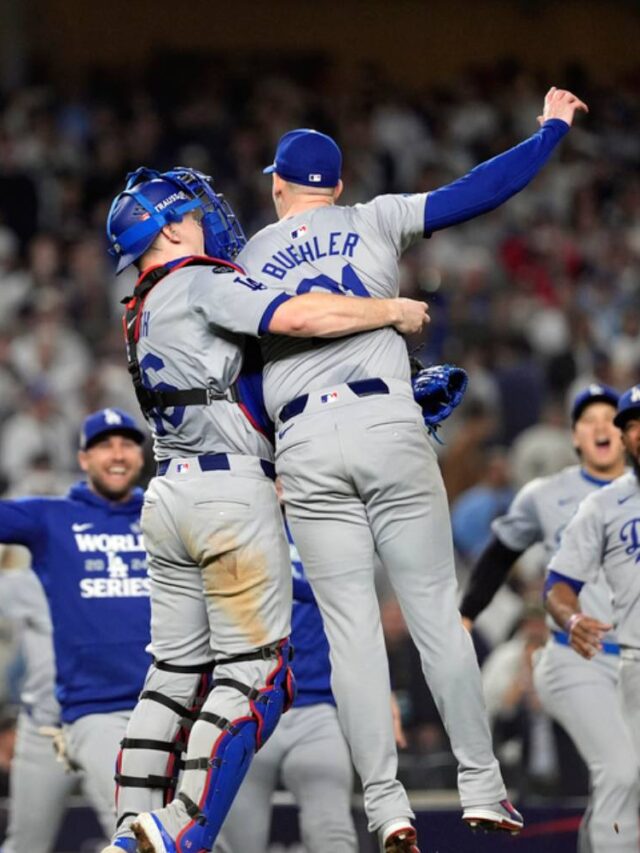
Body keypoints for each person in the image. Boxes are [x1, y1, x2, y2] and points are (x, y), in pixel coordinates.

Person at [236, 85, 587, 852]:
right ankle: (484, 785)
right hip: (385, 418)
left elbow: (240, 381)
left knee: (352, 636)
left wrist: (270, 454)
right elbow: (478, 191)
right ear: (337, 185)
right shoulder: (374, 217)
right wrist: (550, 132)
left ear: (278, 186)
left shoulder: (250, 257)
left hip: (303, 440)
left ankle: (388, 807)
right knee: (436, 614)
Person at [102, 167, 428, 853]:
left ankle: (129, 827)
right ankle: (175, 830)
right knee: (261, 673)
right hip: (228, 493)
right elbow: (301, 314)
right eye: (192, 209)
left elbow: (242, 389)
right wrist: (391, 311)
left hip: (171, 494)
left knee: (174, 676)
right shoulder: (198, 278)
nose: (209, 215)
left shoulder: (142, 300)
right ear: (167, 227)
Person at [461, 384, 639, 852]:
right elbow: (501, 554)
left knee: (621, 786)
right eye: (588, 420)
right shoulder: (550, 495)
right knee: (621, 772)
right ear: (574, 437)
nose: (601, 427)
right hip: (576, 655)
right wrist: (464, 616)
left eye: (610, 418)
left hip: (632, 661)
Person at [0, 407, 151, 849]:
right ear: (84, 459)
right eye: (105, 445)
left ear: (142, 456)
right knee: (25, 845)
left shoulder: (165, 515)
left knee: (137, 837)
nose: (117, 454)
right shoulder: (52, 519)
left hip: (129, 719)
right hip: (44, 725)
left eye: (127, 444)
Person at [215, 516, 358, 853]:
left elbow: (360, 620)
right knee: (238, 843)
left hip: (315, 708)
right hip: (245, 706)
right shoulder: (225, 528)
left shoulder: (332, 530)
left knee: (334, 836)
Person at [545, 384, 640, 847]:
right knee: (623, 780)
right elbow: (558, 585)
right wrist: (571, 618)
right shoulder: (602, 506)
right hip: (630, 662)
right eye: (631, 426)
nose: (638, 433)